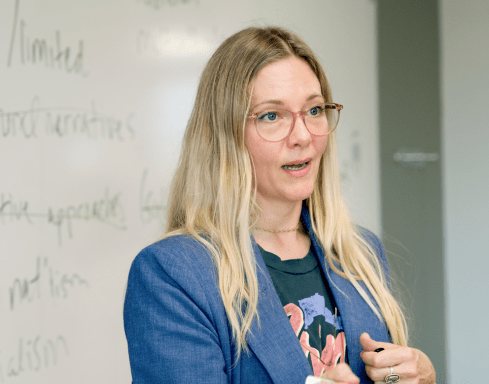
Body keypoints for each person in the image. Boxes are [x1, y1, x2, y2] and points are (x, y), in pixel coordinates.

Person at [123, 26, 436, 384]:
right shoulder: (173, 274)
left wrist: (419, 376)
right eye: (272, 116)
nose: (303, 136)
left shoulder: (360, 252)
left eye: (314, 110)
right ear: (223, 135)